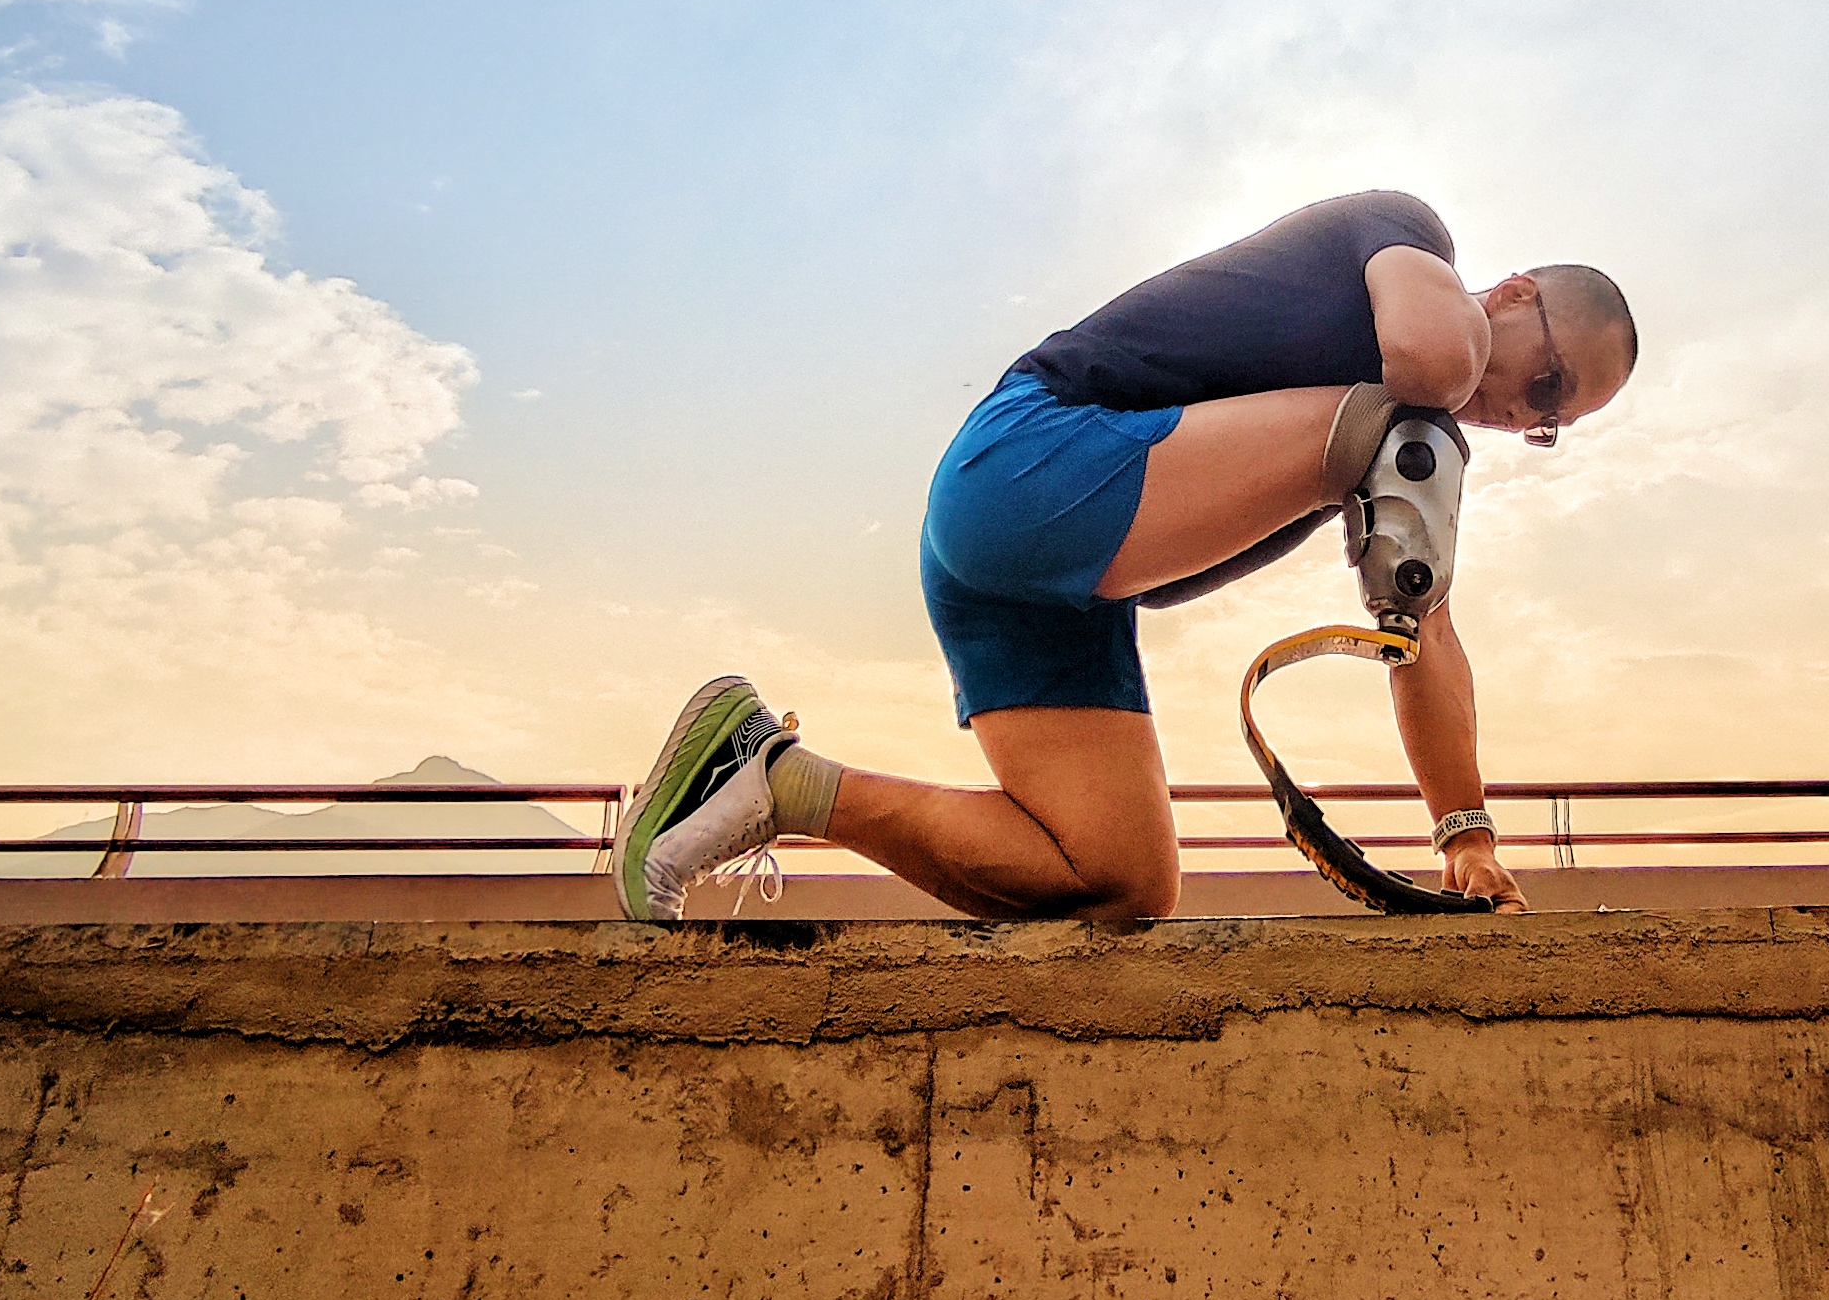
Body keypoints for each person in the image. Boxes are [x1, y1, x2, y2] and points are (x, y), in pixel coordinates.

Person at [616, 191, 1637, 922]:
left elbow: (1424, 629)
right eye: (1548, 383)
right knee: (1408, 430)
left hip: (1049, 585)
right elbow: (1427, 358)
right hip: (1027, 464)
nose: (1524, 417)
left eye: (1552, 424)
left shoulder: (1407, 456)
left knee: (1117, 877)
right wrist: (1448, 406)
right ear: (1508, 293)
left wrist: (1466, 835)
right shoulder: (1413, 239)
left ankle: (766, 778)